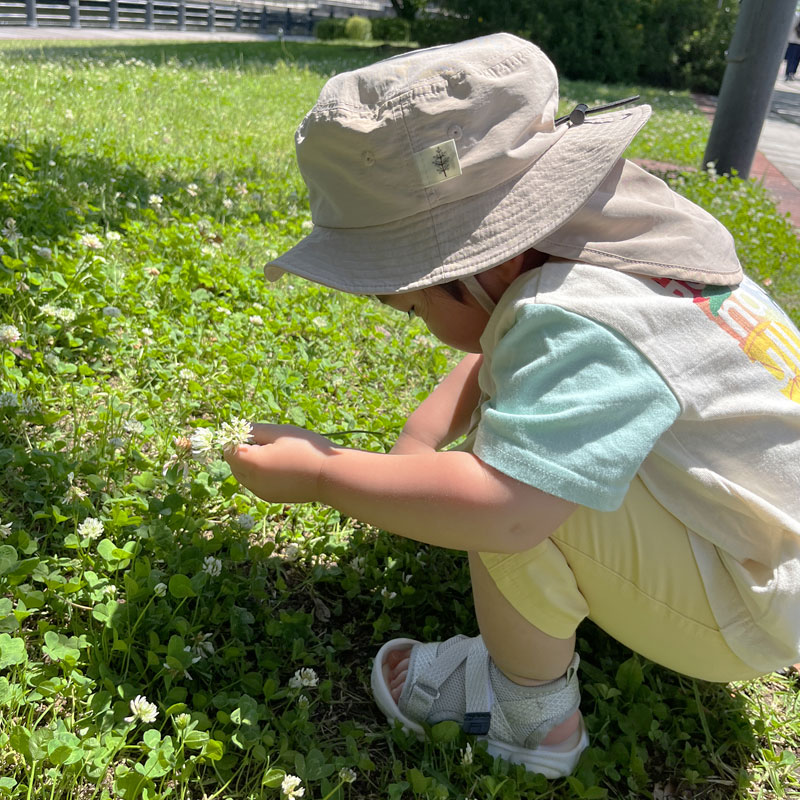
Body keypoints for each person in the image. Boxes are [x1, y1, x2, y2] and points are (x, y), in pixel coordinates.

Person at [224, 34, 800, 778]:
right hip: (770, 552)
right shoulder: (621, 234)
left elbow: (505, 509)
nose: (421, 325)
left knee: (501, 487)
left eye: (412, 307)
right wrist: (415, 440)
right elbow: (501, 338)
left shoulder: (573, 316)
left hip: (747, 611)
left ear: (482, 262)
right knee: (513, 458)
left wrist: (325, 474)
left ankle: (529, 717)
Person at [785, 11, 800, 81]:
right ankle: (792, 73)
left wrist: (787, 38)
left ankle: (789, 73)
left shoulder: (797, 15)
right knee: (796, 59)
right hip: (795, 41)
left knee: (792, 58)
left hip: (794, 40)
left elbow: (791, 27)